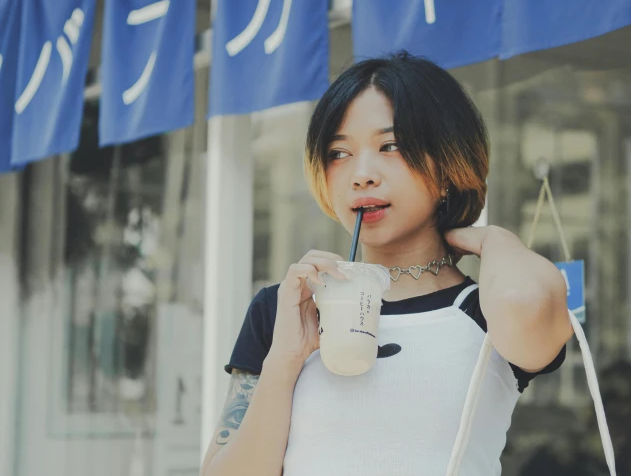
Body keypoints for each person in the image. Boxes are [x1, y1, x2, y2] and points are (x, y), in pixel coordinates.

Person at [199, 51, 574, 476]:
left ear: (448, 161)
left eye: (389, 146)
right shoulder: (286, 307)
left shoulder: (484, 310)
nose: (361, 174)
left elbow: (528, 301)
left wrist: (490, 238)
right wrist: (284, 359)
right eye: (338, 153)